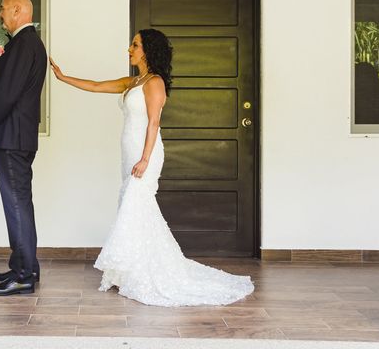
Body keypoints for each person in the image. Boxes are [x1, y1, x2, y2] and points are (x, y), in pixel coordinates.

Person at [49, 28, 254, 306]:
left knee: (135, 205)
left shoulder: (154, 82)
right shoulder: (134, 81)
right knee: (133, 209)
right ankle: (136, 268)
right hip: (129, 153)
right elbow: (97, 85)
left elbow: (154, 123)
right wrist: (63, 77)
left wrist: (145, 158)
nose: (129, 49)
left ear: (147, 50)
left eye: (135, 45)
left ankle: (143, 273)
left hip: (145, 153)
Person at [0, 0, 47, 296]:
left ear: (18, 9)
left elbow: (6, 95)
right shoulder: (25, 44)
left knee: (16, 204)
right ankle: (25, 266)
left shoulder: (24, 44)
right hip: (18, 136)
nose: (0, 14)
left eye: (3, 8)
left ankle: (23, 275)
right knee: (20, 202)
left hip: (11, 136)